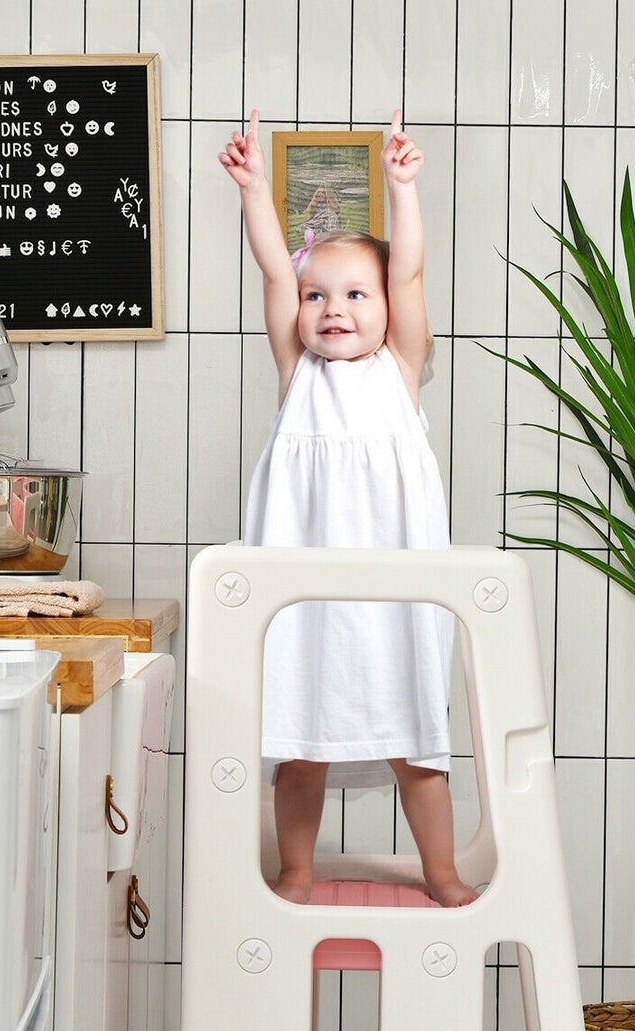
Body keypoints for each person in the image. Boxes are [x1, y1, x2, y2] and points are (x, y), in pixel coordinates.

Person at [220, 108, 478, 908]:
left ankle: (440, 871)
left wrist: (404, 189)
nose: (333, 308)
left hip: (394, 592)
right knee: (298, 744)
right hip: (303, 597)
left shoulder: (398, 369)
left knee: (417, 746)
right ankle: (296, 869)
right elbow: (271, 270)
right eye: (316, 295)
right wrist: (255, 189)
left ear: (386, 309)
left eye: (355, 293)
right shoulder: (298, 376)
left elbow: (408, 275)